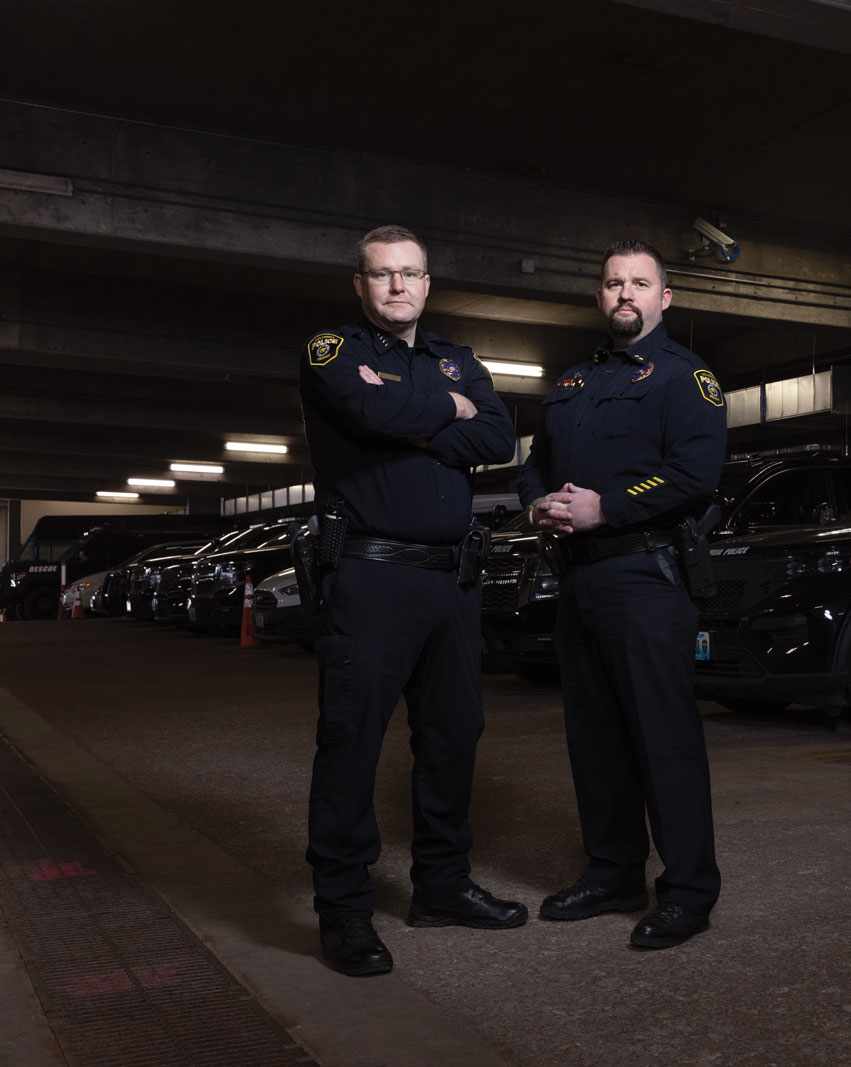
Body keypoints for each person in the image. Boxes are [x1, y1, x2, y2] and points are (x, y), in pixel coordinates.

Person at [300, 225, 524, 977]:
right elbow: (368, 417)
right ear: (359, 286)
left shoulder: (457, 357)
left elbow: (500, 437)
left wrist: (419, 405)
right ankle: (344, 911)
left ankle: (443, 885)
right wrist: (446, 410)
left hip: (452, 581)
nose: (397, 286)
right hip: (371, 576)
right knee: (352, 742)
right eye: (381, 275)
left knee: (453, 737)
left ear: (427, 284)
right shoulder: (333, 352)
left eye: (409, 274)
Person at [515, 239, 727, 949]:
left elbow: (694, 473)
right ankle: (612, 871)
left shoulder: (684, 378)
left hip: (645, 576)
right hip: (579, 577)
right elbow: (536, 463)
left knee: (662, 740)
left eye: (639, 283)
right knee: (595, 738)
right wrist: (537, 503)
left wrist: (608, 507)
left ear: (665, 298)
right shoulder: (573, 382)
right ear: (600, 296)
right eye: (612, 283)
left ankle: (690, 889)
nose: (624, 294)